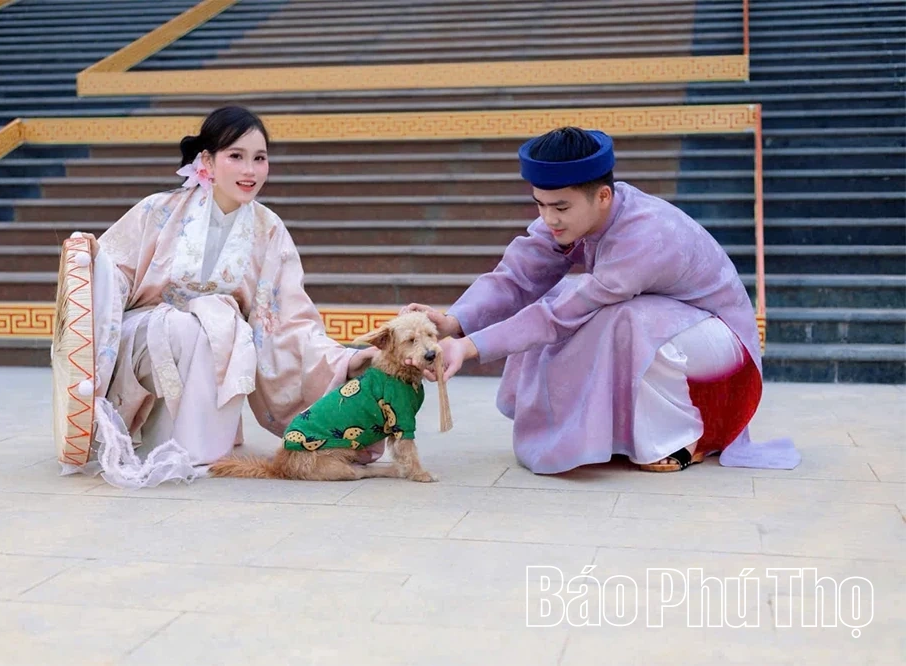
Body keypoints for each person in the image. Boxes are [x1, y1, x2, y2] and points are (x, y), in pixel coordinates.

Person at [405, 126, 797, 474]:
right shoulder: (573, 218)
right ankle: (603, 436)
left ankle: (681, 439)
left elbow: (559, 318)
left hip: (725, 345)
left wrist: (470, 347)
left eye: (561, 207)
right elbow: (517, 276)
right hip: (676, 326)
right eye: (541, 205)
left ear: (603, 196)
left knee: (622, 318)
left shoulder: (644, 235)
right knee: (565, 296)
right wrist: (455, 323)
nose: (549, 219)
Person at [68, 106, 382, 488]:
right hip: (147, 341)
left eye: (259, 158)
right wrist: (92, 263)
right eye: (236, 156)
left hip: (218, 343)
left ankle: (196, 448)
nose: (250, 170)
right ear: (207, 161)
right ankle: (178, 443)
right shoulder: (158, 210)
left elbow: (289, 320)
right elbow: (112, 273)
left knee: (222, 326)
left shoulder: (269, 230)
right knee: (190, 326)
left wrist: (345, 360)